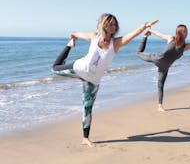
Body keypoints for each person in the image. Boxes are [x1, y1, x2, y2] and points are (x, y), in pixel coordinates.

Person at [52, 13, 158, 147]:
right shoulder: (94, 36)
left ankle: (85, 138)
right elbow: (77, 33)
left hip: (93, 81)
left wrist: (143, 27)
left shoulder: (116, 43)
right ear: (104, 25)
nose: (114, 27)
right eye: (111, 24)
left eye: (115, 24)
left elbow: (132, 35)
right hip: (79, 69)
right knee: (54, 68)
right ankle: (68, 46)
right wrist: (73, 37)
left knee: (87, 108)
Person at [136, 24, 190, 112]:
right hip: (156, 58)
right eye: (185, 31)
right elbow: (159, 34)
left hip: (165, 67)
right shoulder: (170, 38)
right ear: (180, 32)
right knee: (139, 53)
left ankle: (160, 106)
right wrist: (149, 31)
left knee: (160, 84)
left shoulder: (185, 47)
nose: (187, 33)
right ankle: (145, 36)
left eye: (187, 31)